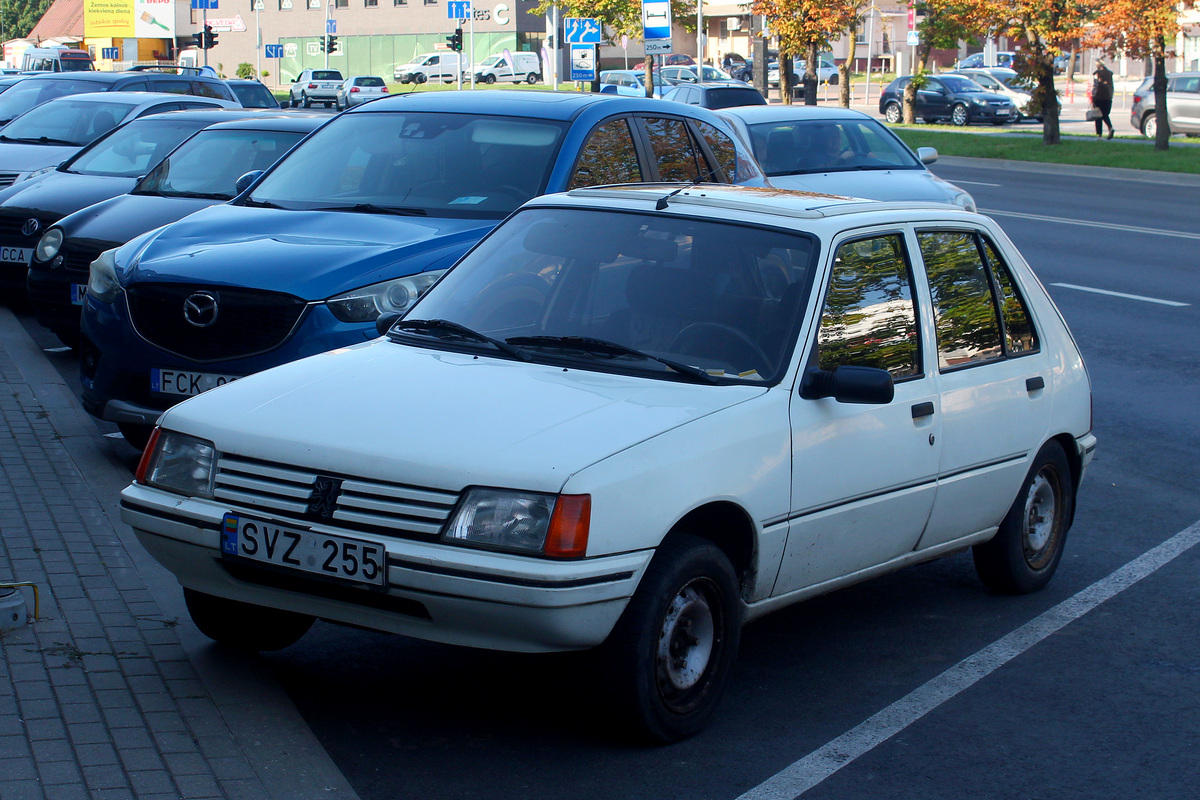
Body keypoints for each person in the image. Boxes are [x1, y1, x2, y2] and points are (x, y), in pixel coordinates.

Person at [1091, 61, 1115, 139]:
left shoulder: (1097, 74)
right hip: (1108, 97)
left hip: (1099, 97)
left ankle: (1099, 135)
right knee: (1105, 115)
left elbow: (1096, 87)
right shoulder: (1109, 74)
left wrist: (1093, 97)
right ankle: (1110, 128)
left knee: (1098, 116)